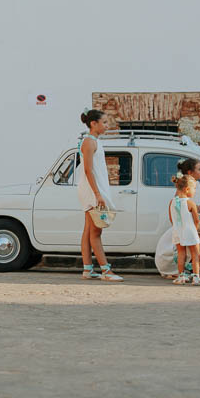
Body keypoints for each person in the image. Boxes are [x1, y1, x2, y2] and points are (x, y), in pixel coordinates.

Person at [75, 109, 121, 282]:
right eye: (105, 122)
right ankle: (106, 270)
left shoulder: (94, 142)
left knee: (88, 230)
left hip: (94, 190)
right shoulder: (89, 142)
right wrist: (97, 194)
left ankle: (88, 269)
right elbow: (87, 170)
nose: (107, 126)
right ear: (94, 123)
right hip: (91, 191)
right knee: (96, 232)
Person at [169, 171, 200, 286]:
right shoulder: (190, 203)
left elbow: (171, 219)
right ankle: (196, 277)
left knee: (181, 253)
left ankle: (181, 276)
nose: (195, 191)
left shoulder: (172, 202)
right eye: (194, 189)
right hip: (190, 231)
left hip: (177, 231)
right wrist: (195, 230)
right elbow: (196, 220)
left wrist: (177, 228)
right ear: (187, 189)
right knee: (195, 254)